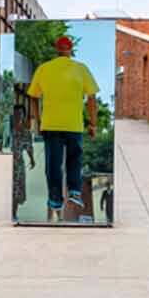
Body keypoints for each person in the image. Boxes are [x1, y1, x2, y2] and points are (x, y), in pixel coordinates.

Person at [28, 35, 99, 216]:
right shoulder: (81, 69)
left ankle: (55, 199)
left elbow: (33, 97)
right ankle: (74, 191)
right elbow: (91, 98)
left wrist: (37, 121)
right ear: (70, 49)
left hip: (51, 125)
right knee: (74, 158)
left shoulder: (44, 69)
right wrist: (93, 124)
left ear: (56, 48)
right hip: (74, 124)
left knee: (53, 163)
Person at [10, 104, 35, 222]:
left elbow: (29, 148)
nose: (18, 116)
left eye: (20, 114)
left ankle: (14, 214)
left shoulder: (26, 132)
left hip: (18, 165)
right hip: (6, 163)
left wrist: (32, 159)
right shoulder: (8, 129)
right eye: (16, 114)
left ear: (23, 115)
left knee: (17, 190)